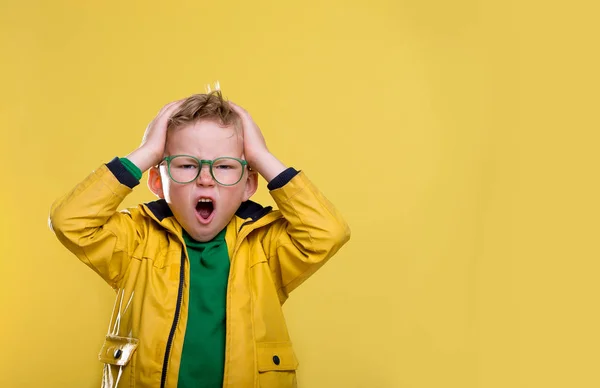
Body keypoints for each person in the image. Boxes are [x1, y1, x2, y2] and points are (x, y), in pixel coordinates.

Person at [49, 90, 350, 388]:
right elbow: (70, 221)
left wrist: (261, 156)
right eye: (187, 165)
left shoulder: (265, 246)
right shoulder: (136, 239)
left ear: (249, 184)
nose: (205, 179)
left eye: (224, 166)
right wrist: (146, 153)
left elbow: (327, 232)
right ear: (157, 181)